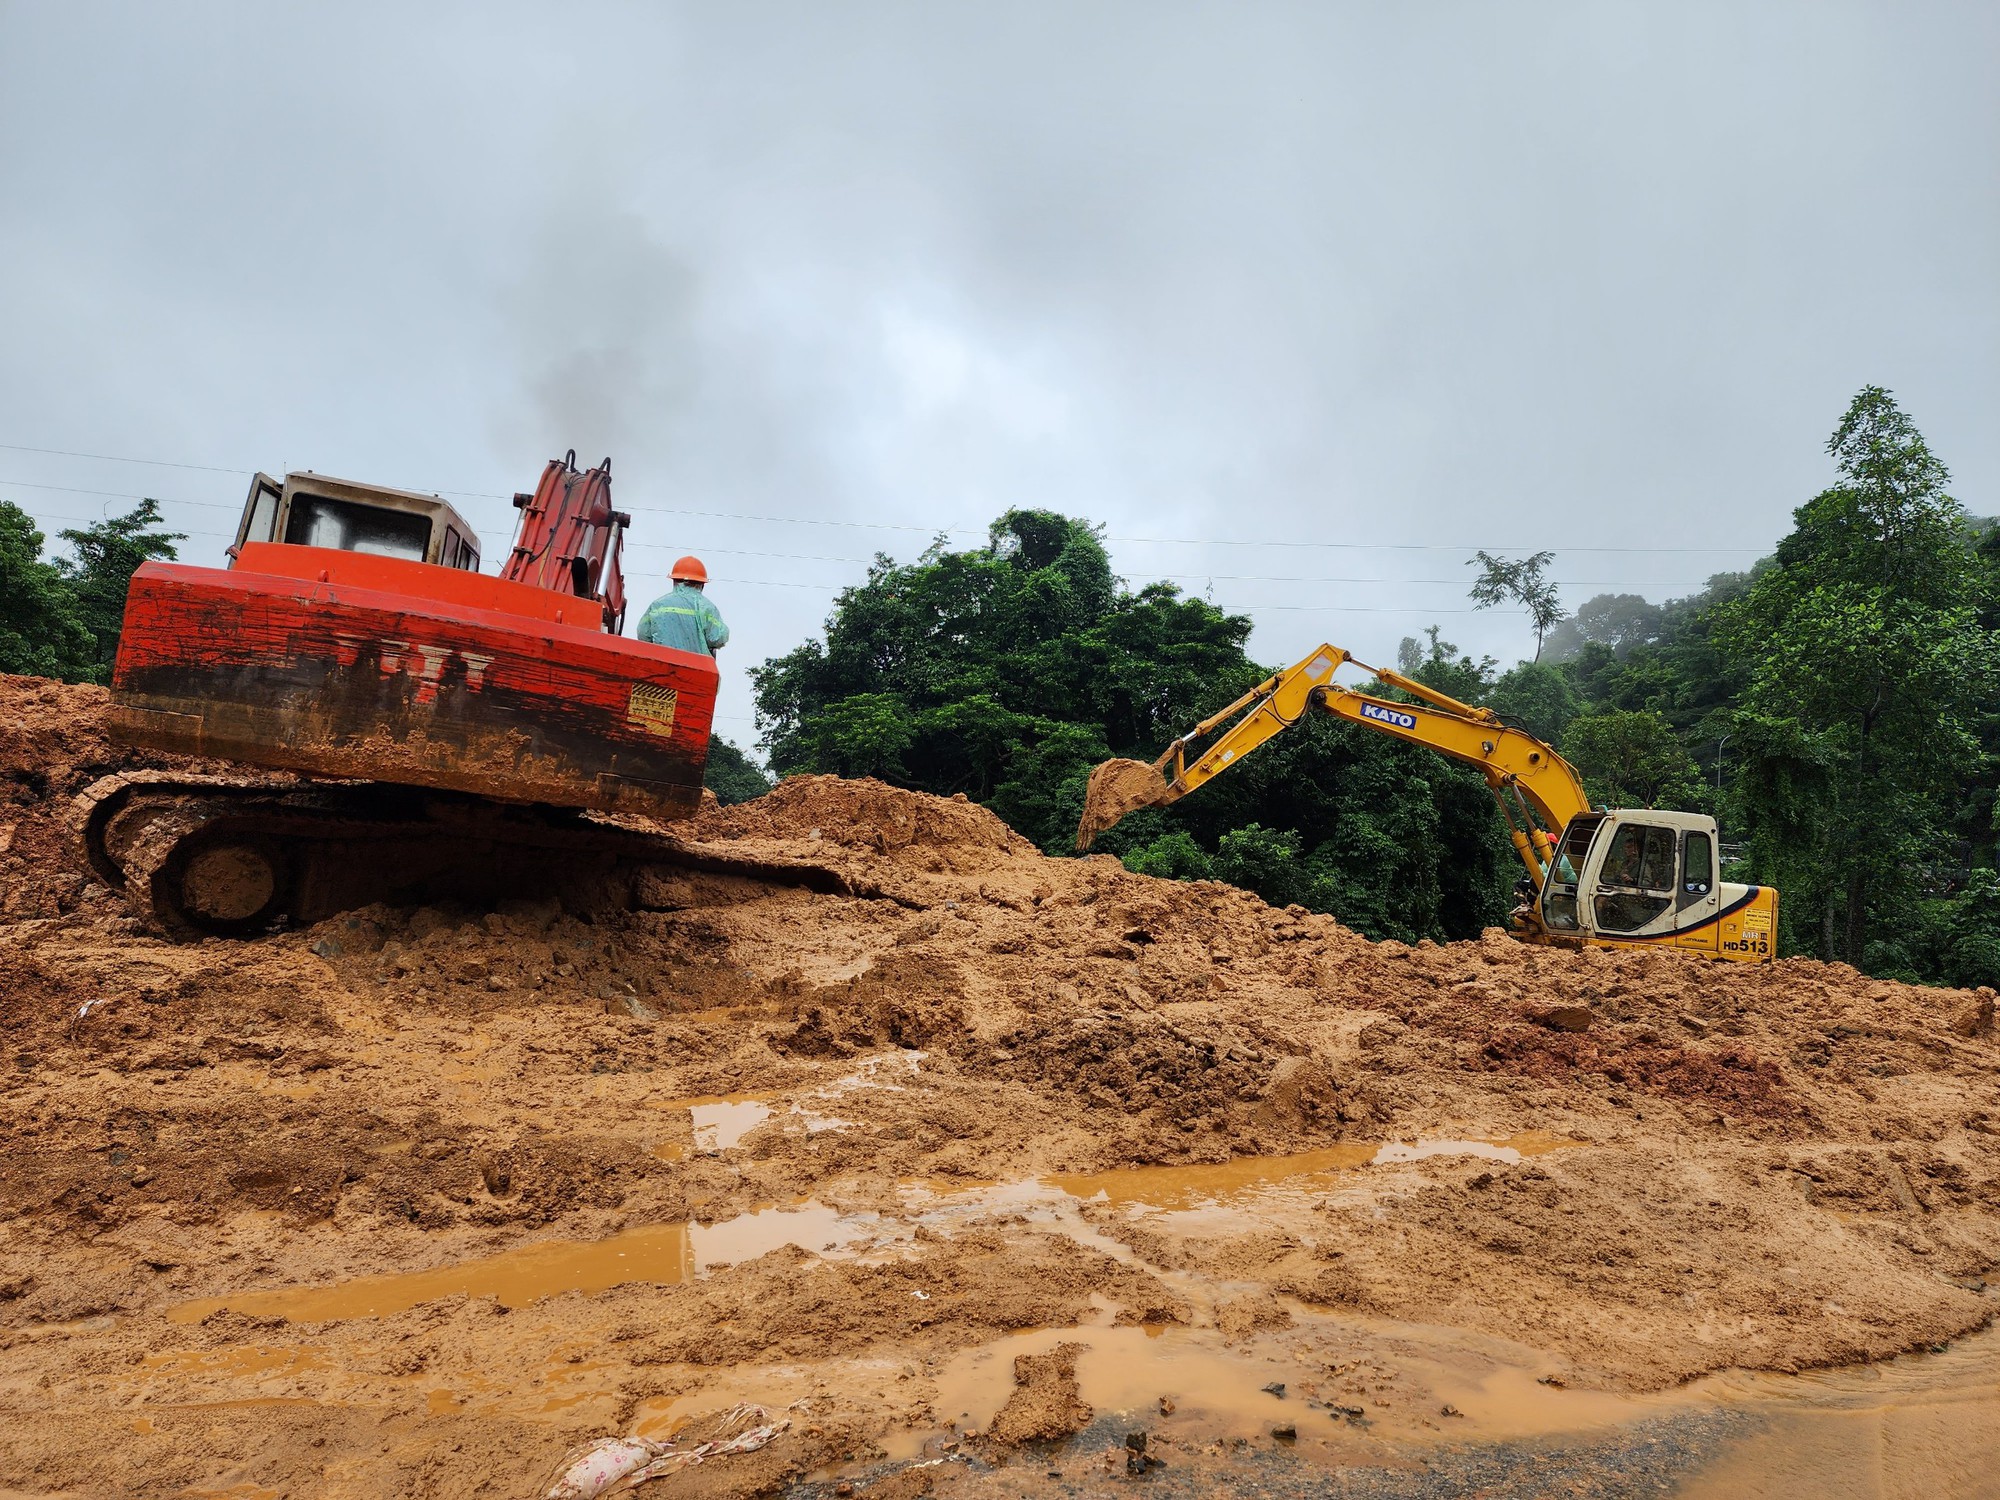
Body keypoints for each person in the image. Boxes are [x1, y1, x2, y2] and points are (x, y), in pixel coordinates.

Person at [636, 556, 730, 656]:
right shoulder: (707, 608)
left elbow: (643, 634)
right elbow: (718, 638)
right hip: (697, 667)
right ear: (702, 584)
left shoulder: (658, 605)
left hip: (661, 664)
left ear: (674, 581)